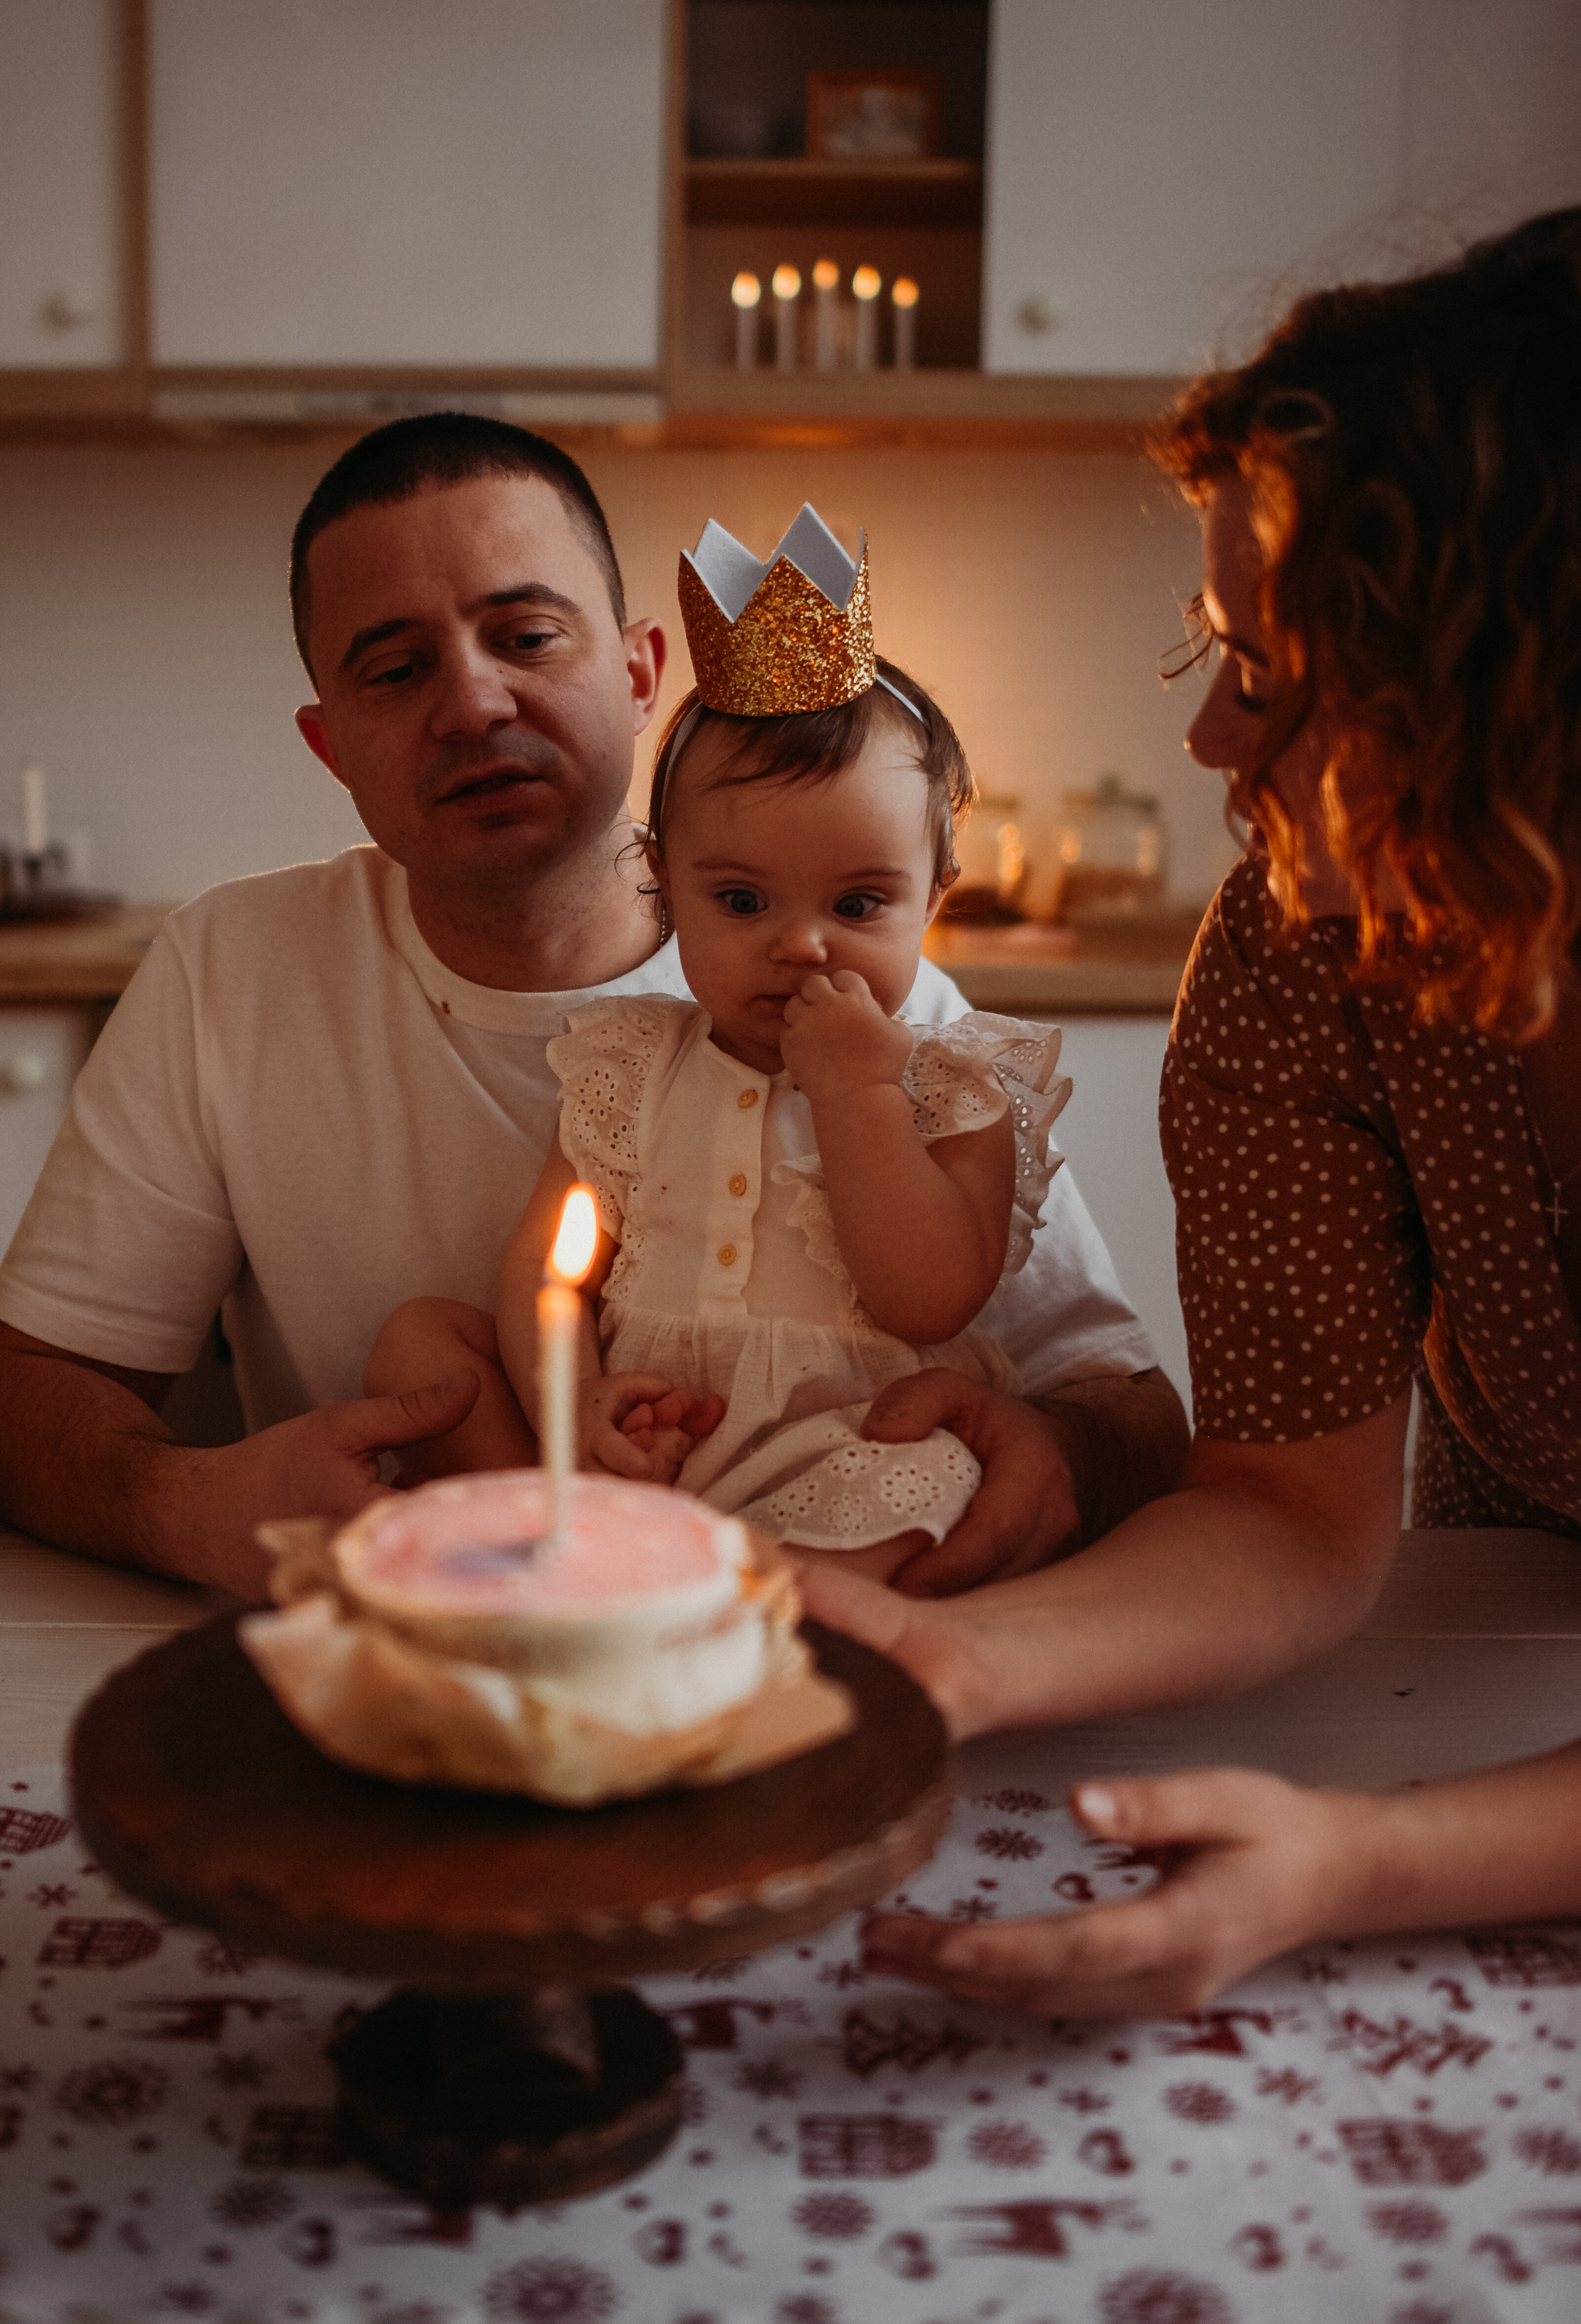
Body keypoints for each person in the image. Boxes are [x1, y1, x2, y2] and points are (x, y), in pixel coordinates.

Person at [806, 207, 1581, 2015]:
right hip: (1518, 1601)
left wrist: (1348, 1860)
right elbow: (1291, 1502)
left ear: (1516, 697)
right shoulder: (1305, 949)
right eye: (1210, 655)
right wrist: (950, 1658)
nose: (1209, 741)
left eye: (1273, 676)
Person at [0, 417, 1183, 1599]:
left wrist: (1057, 1454)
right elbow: (28, 1391)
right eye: (396, 670)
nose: (474, 704)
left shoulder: (886, 1013)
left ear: (638, 674)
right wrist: (186, 1501)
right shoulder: (231, 969)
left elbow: (1126, 1412)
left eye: (526, 636)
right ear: (331, 747)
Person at [366, 506, 1071, 1582]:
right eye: (741, 900)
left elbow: (928, 1299)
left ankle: (745, 1614)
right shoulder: (630, 1065)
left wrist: (858, 1096)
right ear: (664, 888)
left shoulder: (954, 1084)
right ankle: (587, 1550)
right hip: (649, 1444)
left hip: (840, 1451)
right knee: (421, 1343)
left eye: (858, 904)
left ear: (936, 897)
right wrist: (578, 1407)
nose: (800, 944)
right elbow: (547, 1272)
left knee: (941, 1470)